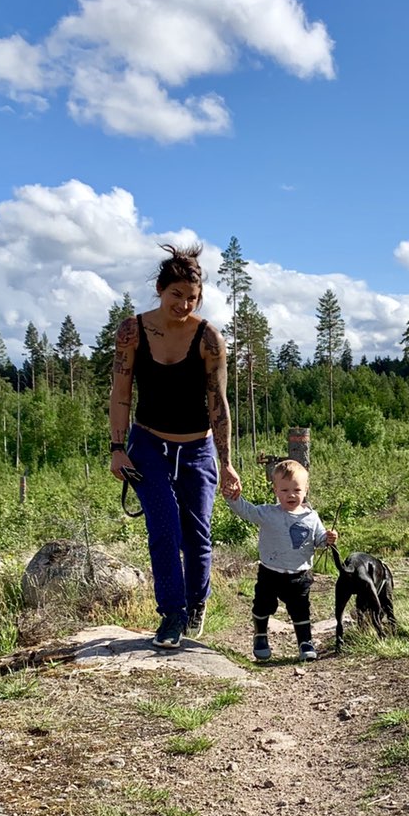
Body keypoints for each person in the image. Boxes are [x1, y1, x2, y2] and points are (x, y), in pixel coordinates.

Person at [109, 243, 241, 649]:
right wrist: (117, 447)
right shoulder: (132, 331)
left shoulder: (209, 339)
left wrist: (226, 462)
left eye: (192, 298)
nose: (184, 304)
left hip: (197, 448)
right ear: (160, 290)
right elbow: (121, 393)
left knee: (197, 534)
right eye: (176, 295)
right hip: (148, 444)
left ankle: (197, 602)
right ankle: (171, 614)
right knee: (163, 527)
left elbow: (218, 404)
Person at [222, 459, 337, 662]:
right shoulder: (268, 513)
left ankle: (305, 642)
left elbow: (319, 541)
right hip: (270, 573)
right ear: (275, 490)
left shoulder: (312, 517)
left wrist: (328, 538)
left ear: (306, 489)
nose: (291, 495)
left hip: (300, 574)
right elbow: (247, 510)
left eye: (296, 490)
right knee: (262, 605)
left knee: (300, 609)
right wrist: (232, 498)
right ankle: (260, 635)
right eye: (284, 490)